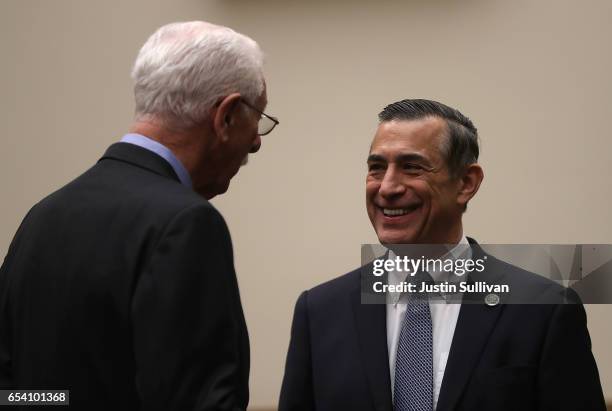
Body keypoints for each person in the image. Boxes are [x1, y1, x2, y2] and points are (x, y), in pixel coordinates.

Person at [0, 21, 278, 410]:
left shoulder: (42, 217)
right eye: (257, 117)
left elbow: (13, 392)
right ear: (226, 116)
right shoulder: (186, 224)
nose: (256, 141)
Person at [279, 99, 605, 411]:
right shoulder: (320, 312)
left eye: (411, 167)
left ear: (466, 182)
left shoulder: (545, 311)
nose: (387, 187)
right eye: (377, 168)